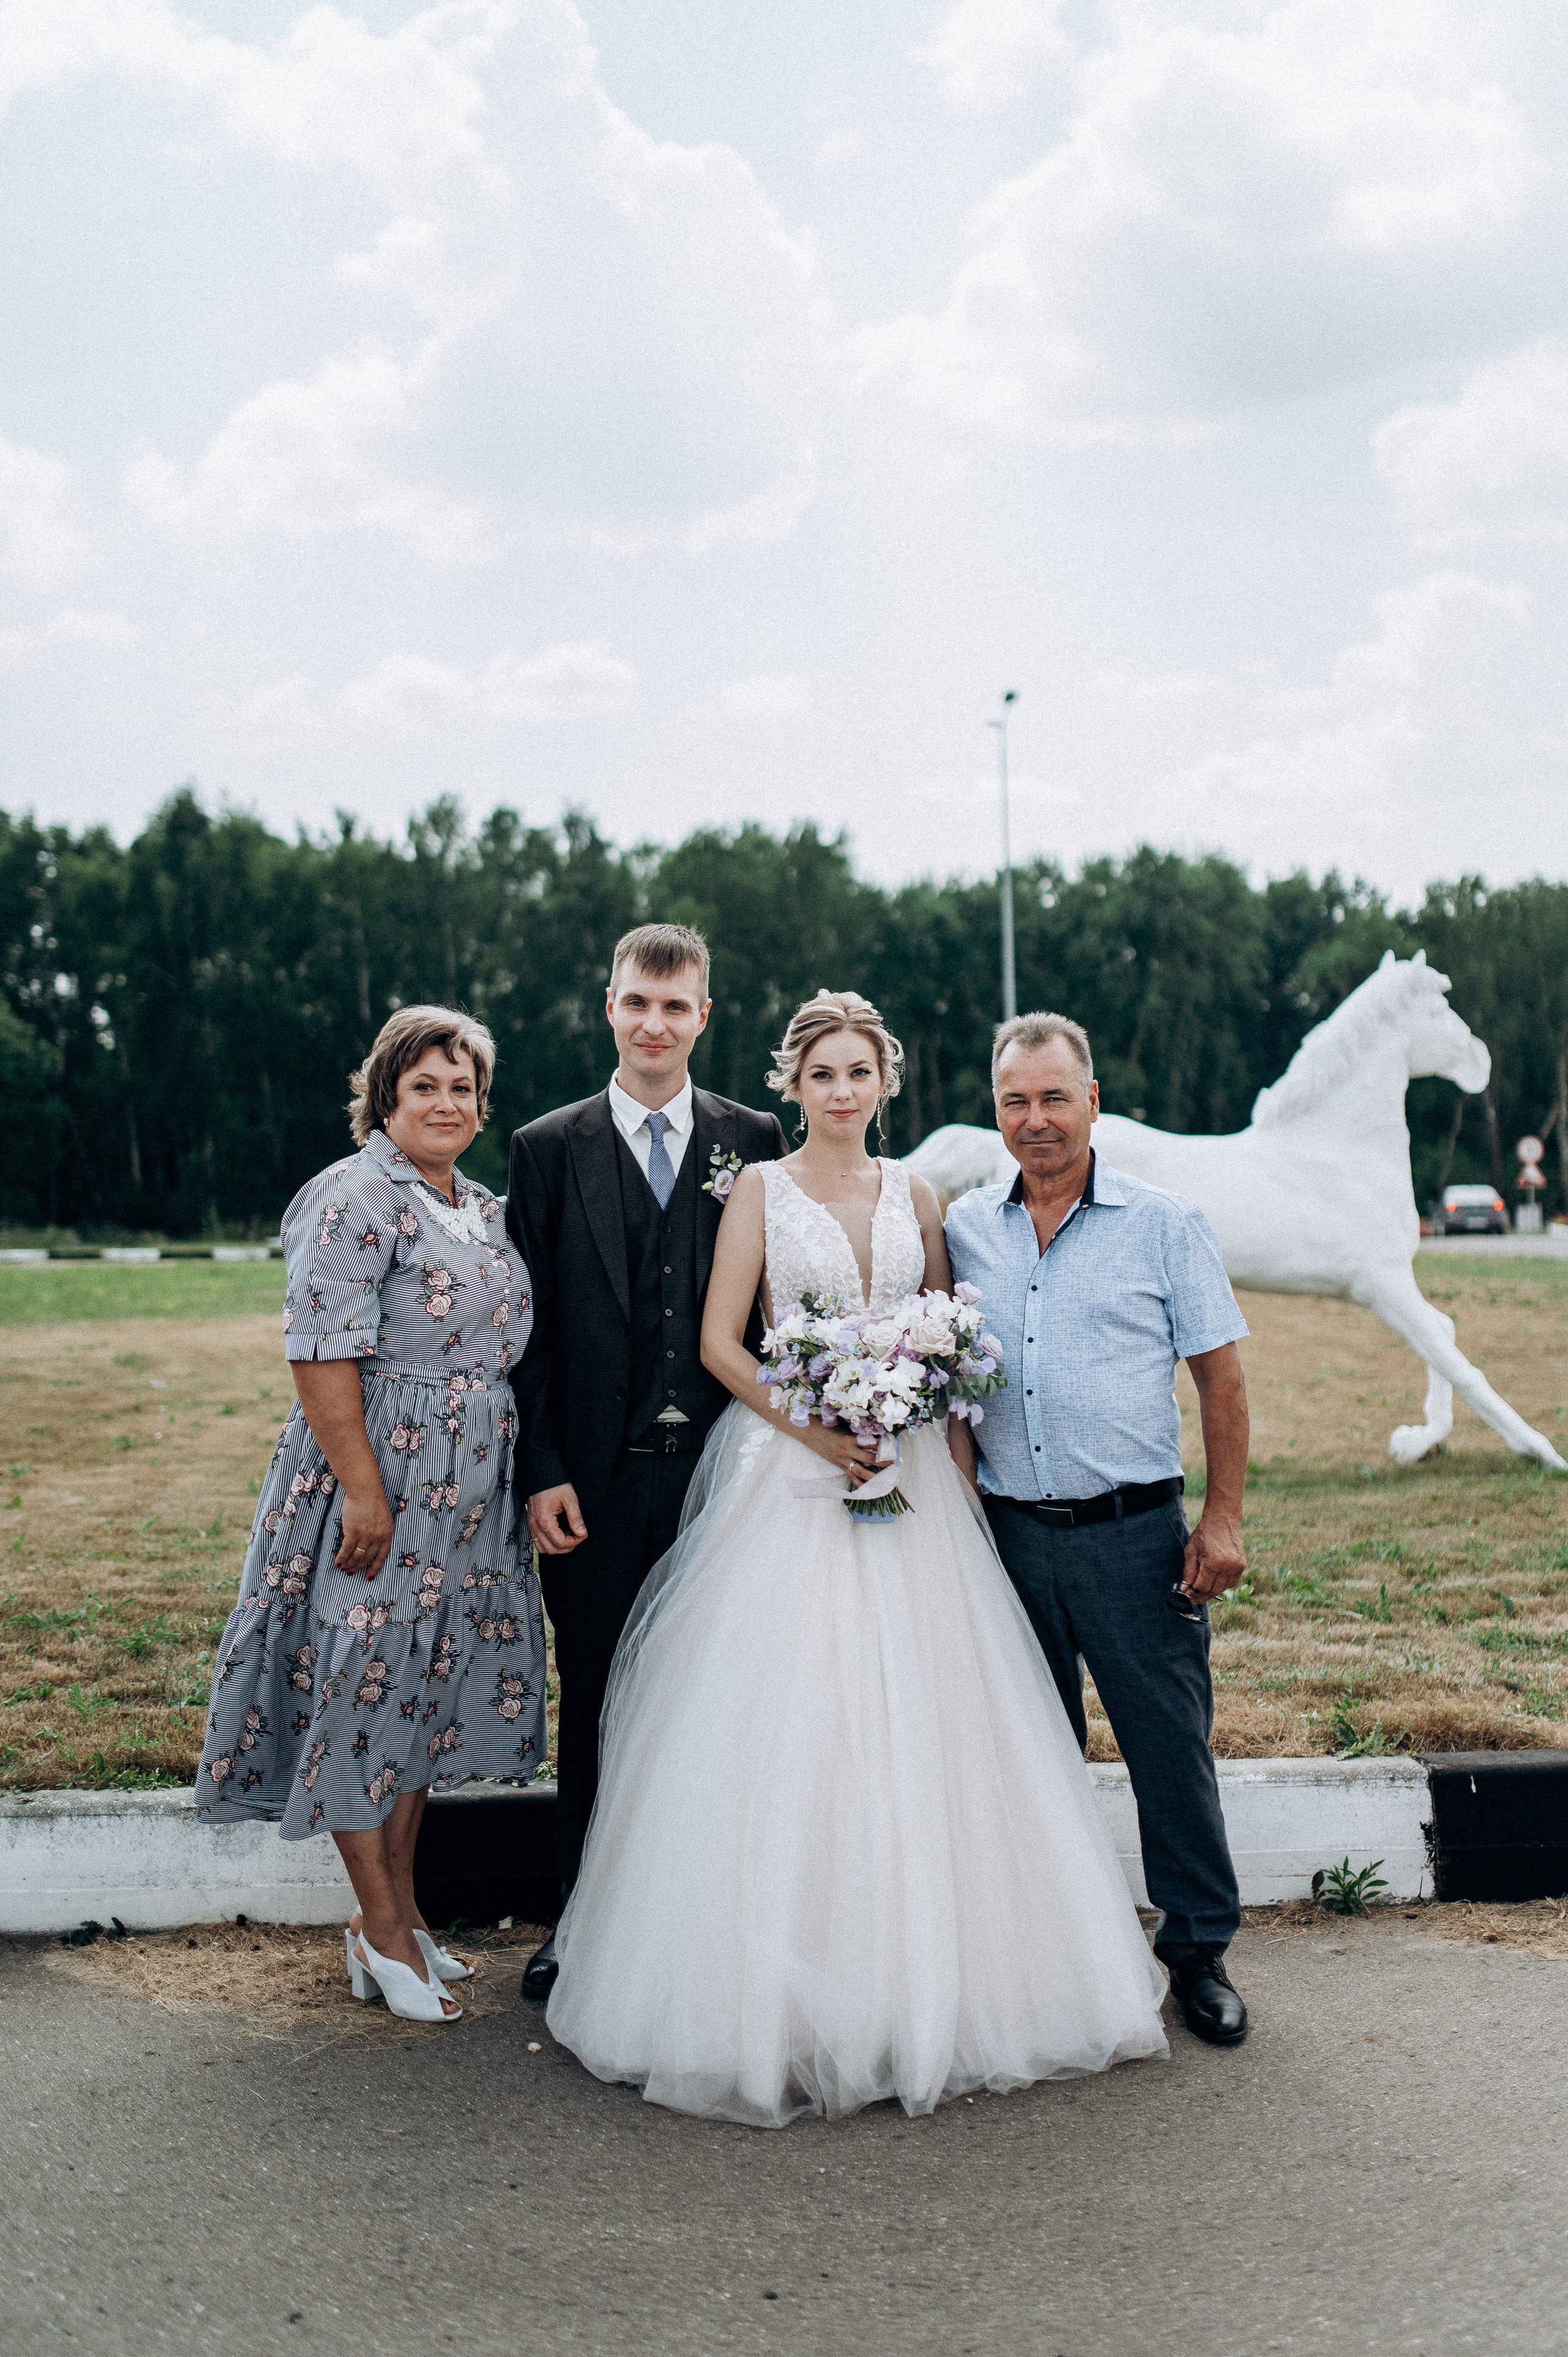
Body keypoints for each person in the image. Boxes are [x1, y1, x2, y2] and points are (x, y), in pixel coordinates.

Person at [543, 990, 1169, 2125]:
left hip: (914, 1474)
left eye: (860, 1072)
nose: (842, 1090)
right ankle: (771, 1992)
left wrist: (934, 1436)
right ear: (796, 1086)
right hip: (789, 1473)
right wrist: (820, 1427)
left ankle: (951, 1981)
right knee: (789, 1715)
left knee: (934, 1717)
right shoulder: (758, 1192)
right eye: (822, 1073)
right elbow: (722, 1346)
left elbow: (945, 1328)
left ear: (887, 1084)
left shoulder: (917, 1194)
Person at [196, 1007, 546, 2024]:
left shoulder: (476, 1204)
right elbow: (318, 1350)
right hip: (381, 1478)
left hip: (470, 1492)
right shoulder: (356, 1196)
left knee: (422, 1690)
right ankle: (380, 1924)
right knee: (360, 1681)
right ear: (386, 1094)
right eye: (425, 1085)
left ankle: (400, 1915)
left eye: (463, 1087)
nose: (446, 1103)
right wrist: (361, 1488)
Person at [944, 1011, 1252, 2048]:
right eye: (1016, 1102)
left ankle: (1198, 1949)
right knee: (1031, 1748)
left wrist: (1221, 1518)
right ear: (998, 1110)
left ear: (1093, 1102)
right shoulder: (968, 1228)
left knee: (1168, 1746)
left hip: (1134, 1535)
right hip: (1008, 1536)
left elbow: (1220, 1374)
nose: (1036, 1121)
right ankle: (1055, 1951)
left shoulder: (1165, 1222)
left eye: (1054, 1098)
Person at [507, 923, 786, 1999]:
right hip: (594, 1480)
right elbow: (523, 1334)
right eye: (637, 1003)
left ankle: (721, 1925)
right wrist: (542, 1469)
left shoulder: (752, 1136)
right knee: (602, 1702)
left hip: (732, 1475)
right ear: (609, 1007)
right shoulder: (545, 1147)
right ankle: (580, 1922)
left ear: (703, 1017)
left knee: (727, 1697)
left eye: (676, 1007)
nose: (655, 1024)